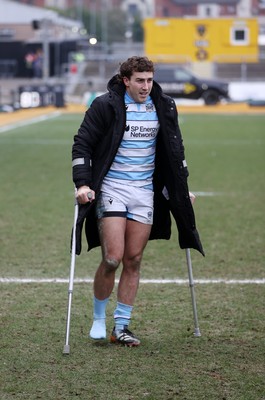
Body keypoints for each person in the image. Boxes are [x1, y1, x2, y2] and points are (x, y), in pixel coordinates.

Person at [72, 56, 204, 347]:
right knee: (112, 258)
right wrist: (82, 183)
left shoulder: (164, 106)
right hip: (112, 187)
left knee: (133, 259)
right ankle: (98, 318)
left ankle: (121, 327)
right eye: (140, 80)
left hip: (144, 191)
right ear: (126, 81)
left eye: (149, 80)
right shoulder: (105, 106)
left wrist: (181, 189)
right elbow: (82, 143)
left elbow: (174, 150)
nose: (146, 86)